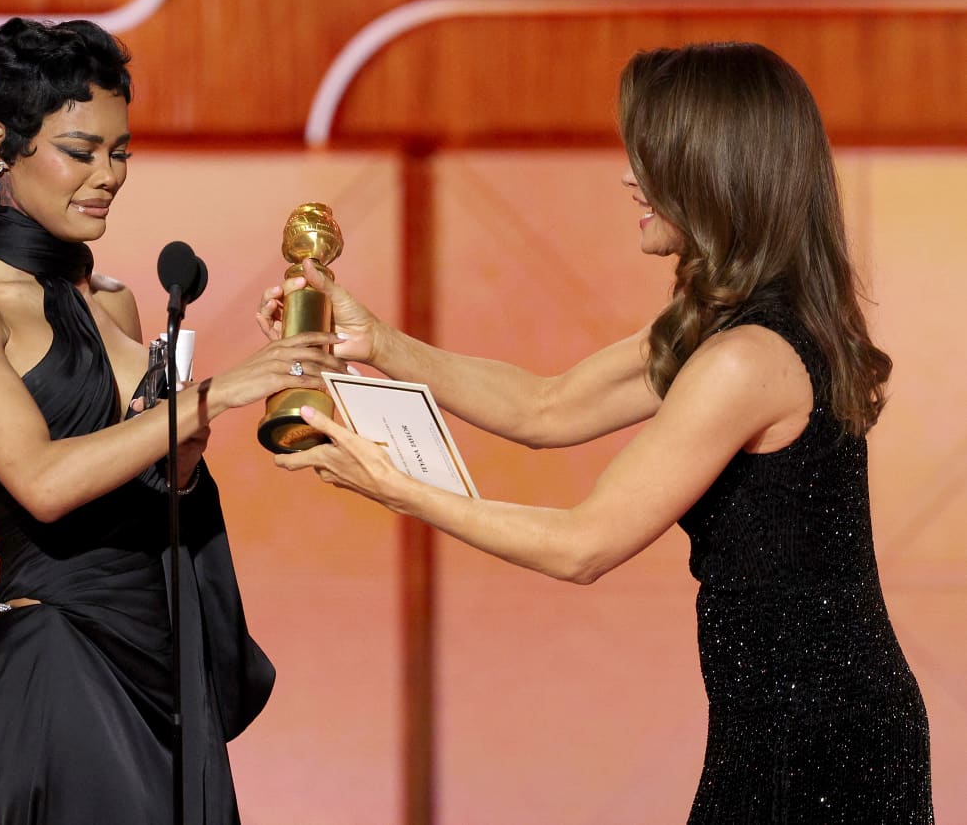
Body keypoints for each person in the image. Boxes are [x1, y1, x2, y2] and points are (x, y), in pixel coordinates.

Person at [264, 42, 933, 822]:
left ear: (712, 173)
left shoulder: (746, 359)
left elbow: (583, 545)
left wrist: (396, 487)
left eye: (649, 157)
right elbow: (544, 408)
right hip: (782, 721)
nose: (628, 178)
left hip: (819, 738)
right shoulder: (723, 328)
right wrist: (378, 342)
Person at [0, 17, 343, 824]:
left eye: (120, 153)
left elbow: (140, 482)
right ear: (2, 145)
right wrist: (214, 394)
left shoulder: (115, 301)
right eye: (81, 152)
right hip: (55, 659)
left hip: (158, 660)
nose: (108, 176)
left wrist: (180, 466)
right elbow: (42, 483)